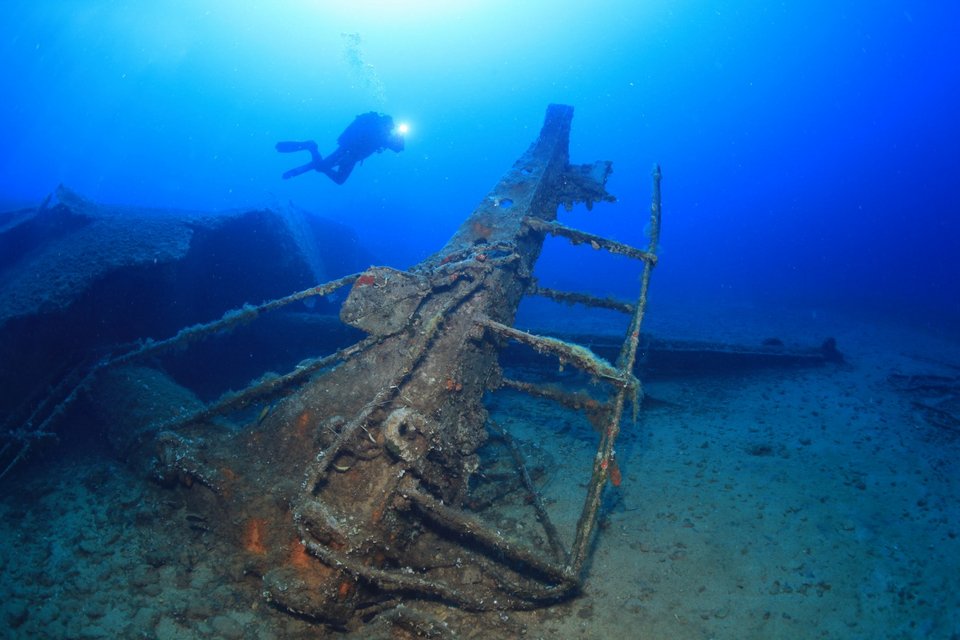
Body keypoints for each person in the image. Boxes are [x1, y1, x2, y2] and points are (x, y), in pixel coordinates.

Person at [276, 112, 406, 184]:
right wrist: (401, 136)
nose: (391, 129)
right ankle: (312, 147)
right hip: (349, 154)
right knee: (331, 174)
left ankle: (314, 157)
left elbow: (396, 147)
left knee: (330, 173)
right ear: (388, 124)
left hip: (348, 152)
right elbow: (398, 148)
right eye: (391, 127)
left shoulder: (377, 129)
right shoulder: (382, 134)